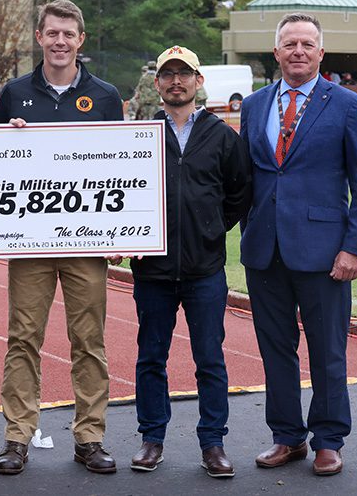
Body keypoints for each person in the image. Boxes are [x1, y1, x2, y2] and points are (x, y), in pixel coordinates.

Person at [238, 12, 357, 477]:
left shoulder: (347, 105)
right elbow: (246, 179)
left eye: (307, 44)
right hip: (265, 251)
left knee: (327, 350)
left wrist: (354, 246)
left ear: (321, 52)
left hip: (325, 252)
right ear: (275, 52)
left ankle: (328, 439)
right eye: (289, 44)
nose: (298, 51)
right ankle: (287, 436)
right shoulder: (256, 105)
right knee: (275, 349)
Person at [0, 0, 124, 475]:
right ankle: (17, 436)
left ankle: (89, 437)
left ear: (81, 40)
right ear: (39, 37)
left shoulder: (106, 96)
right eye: (53, 33)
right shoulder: (14, 93)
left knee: (89, 341)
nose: (61, 42)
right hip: (30, 244)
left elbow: (120, 169)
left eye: (69, 34)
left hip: (86, 244)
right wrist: (9, 137)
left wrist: (119, 231)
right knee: (22, 338)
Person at [127, 45, 251, 477]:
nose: (176, 81)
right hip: (152, 270)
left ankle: (213, 443)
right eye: (168, 74)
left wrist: (212, 227)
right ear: (157, 83)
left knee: (210, 359)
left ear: (199, 81)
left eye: (185, 74)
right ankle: (151, 438)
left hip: (204, 271)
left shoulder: (221, 135)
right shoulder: (139, 134)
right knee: (150, 357)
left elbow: (239, 192)